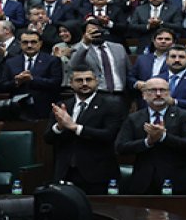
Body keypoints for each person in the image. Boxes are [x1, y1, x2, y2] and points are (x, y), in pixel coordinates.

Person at [44, 66, 126, 194]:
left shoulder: (111, 105)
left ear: (96, 81)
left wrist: (75, 127)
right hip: (66, 172)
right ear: (71, 84)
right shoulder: (63, 106)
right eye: (79, 80)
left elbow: (109, 135)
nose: (84, 84)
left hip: (98, 174)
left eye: (88, 79)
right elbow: (48, 138)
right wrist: (59, 127)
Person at [115, 77, 186, 195]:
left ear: (169, 93)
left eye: (163, 90)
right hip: (144, 182)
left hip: (178, 181)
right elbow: (120, 147)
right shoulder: (134, 118)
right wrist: (147, 142)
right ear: (144, 95)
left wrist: (164, 137)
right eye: (153, 90)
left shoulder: (184, 116)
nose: (158, 94)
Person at [0, 29, 61, 118]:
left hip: (44, 108)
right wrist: (16, 82)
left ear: (40, 43)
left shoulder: (52, 60)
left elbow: (55, 83)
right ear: (20, 44)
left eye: (33, 42)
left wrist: (32, 79)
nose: (29, 45)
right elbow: (2, 86)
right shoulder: (10, 62)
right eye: (25, 42)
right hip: (18, 109)